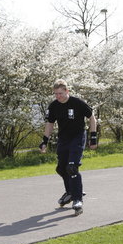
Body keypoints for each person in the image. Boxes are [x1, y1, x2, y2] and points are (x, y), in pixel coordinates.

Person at [39, 79, 98, 216]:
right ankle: (70, 191)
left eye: (60, 93)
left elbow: (92, 118)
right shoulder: (54, 106)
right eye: (56, 94)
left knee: (72, 167)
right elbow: (50, 123)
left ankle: (77, 200)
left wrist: (93, 137)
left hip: (78, 137)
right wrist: (44, 141)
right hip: (64, 139)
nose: (58, 96)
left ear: (67, 91)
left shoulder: (77, 103)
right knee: (61, 168)